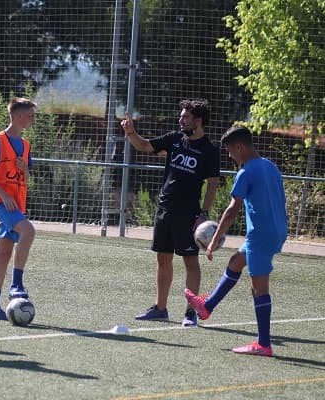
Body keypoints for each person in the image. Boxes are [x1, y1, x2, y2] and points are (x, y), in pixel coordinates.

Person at [185, 126, 287, 357]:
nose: (231, 157)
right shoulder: (270, 167)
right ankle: (206, 306)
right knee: (236, 261)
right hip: (275, 231)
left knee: (259, 289)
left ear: (239, 147)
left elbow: (232, 210)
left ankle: (263, 344)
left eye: (231, 152)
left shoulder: (246, 172)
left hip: (261, 235)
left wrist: (213, 240)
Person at [121, 99, 221, 327]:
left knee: (190, 261)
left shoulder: (209, 149)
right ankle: (160, 308)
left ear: (198, 121)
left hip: (189, 215)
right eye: (181, 115)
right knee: (163, 258)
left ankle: (190, 312)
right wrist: (130, 132)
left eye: (185, 117)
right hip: (165, 210)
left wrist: (203, 213)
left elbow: (213, 183)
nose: (180, 119)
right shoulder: (175, 139)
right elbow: (144, 145)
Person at [0, 97, 36, 320]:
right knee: (28, 231)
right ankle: (17, 284)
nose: (32, 120)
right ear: (19, 116)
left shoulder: (26, 145)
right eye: (30, 115)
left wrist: (24, 169)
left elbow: (27, 179)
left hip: (16, 204)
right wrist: (2, 194)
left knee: (3, 253)